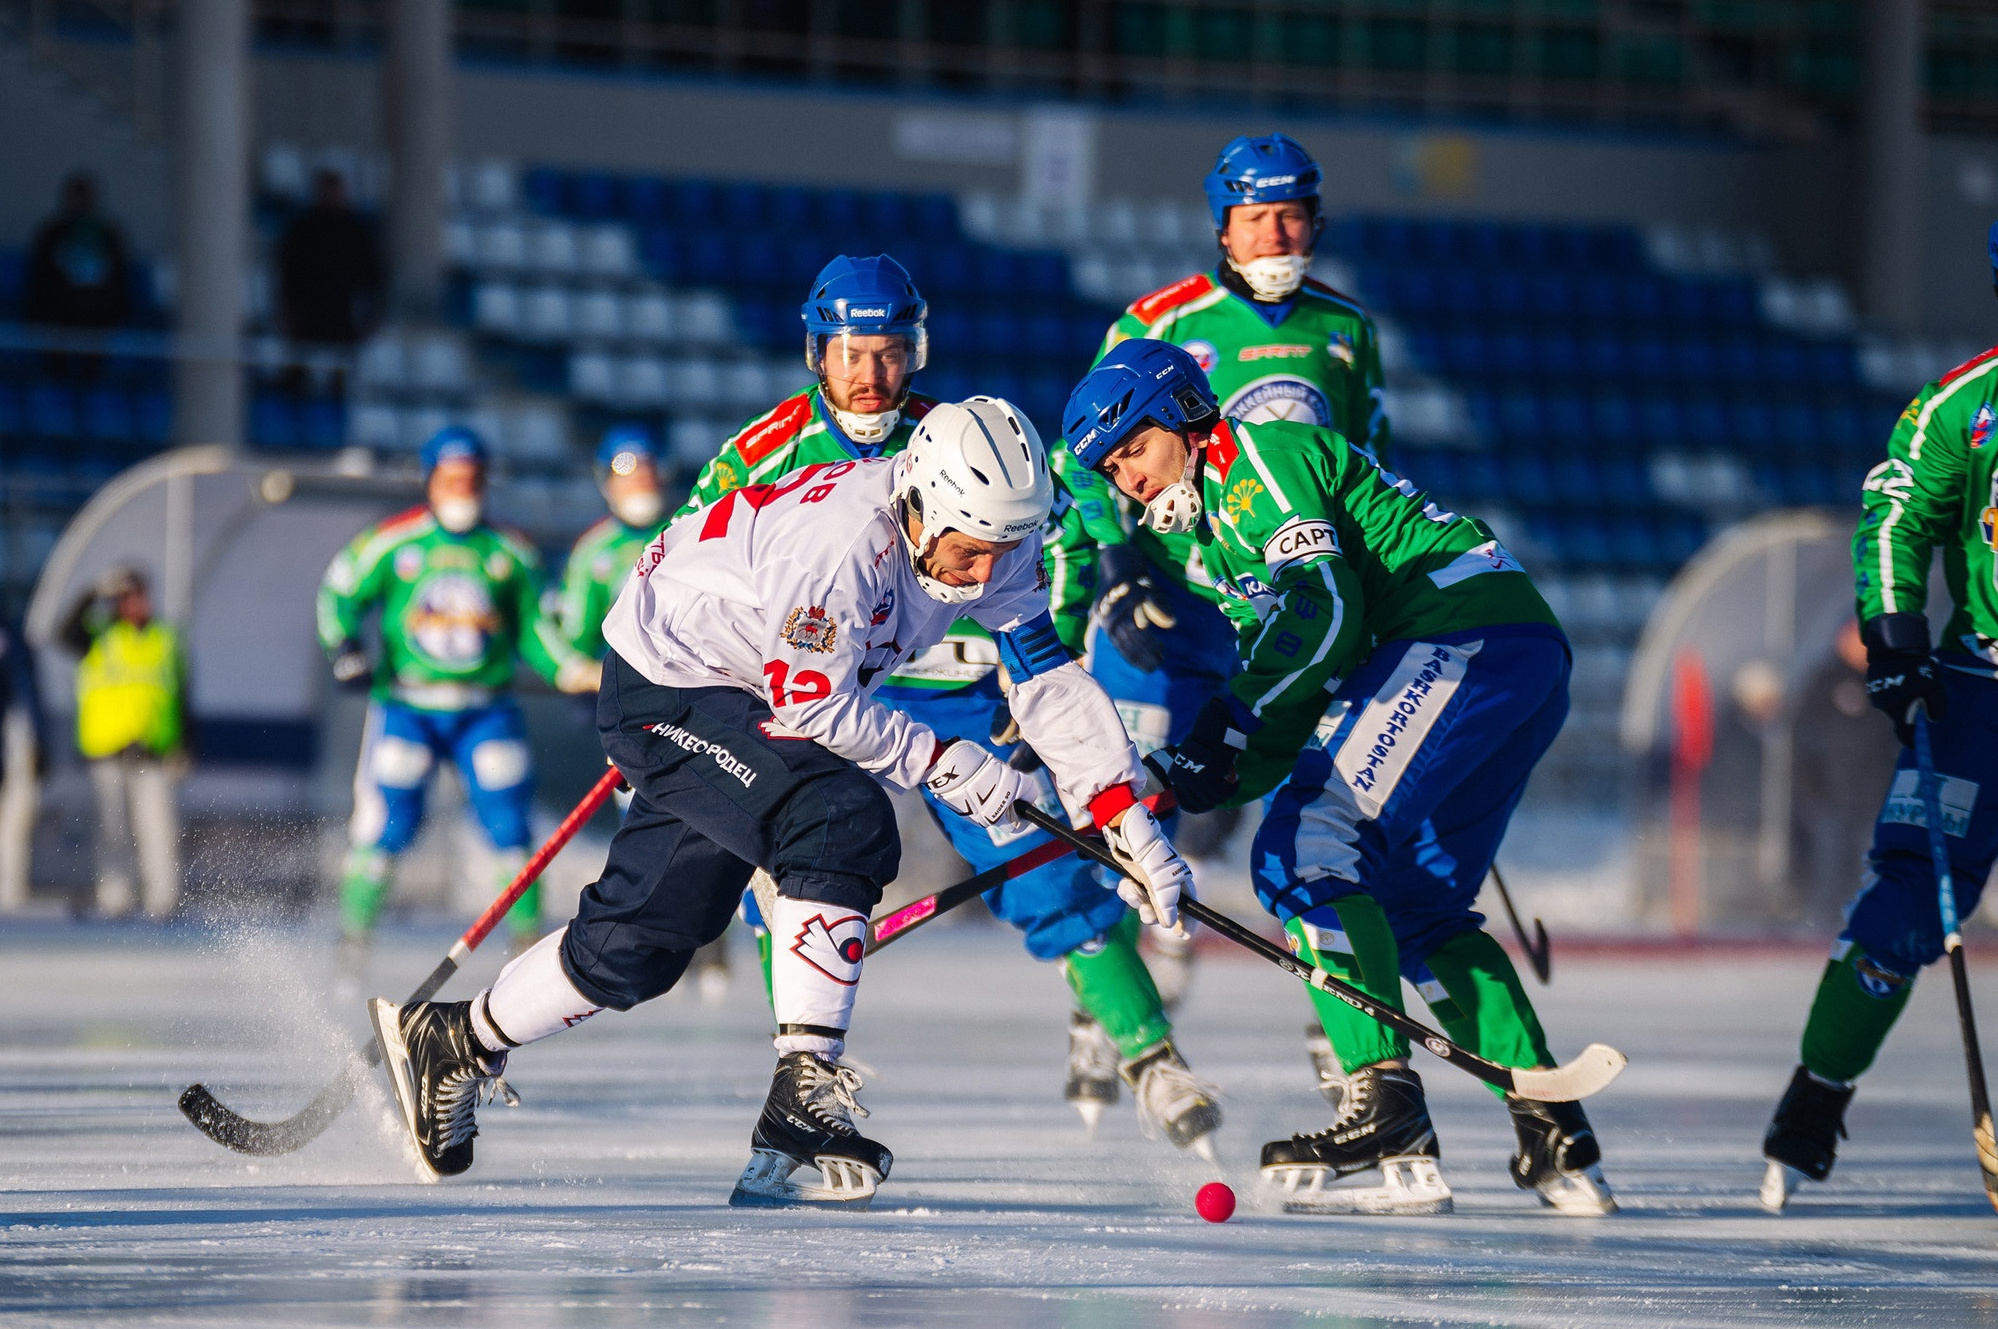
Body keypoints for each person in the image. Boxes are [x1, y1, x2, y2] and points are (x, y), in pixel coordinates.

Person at [365, 398, 1198, 1208]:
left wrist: (1124, 815)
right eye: (970, 550)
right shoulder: (840, 544)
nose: (983, 575)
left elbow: (1047, 677)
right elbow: (814, 705)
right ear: (921, 501)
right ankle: (803, 1090)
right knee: (839, 816)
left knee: (644, 939)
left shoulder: (993, 533)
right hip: (670, 682)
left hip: (746, 692)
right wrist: (945, 762)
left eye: (1003, 551)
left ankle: (454, 1039)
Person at [677, 255, 1220, 1151]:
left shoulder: (965, 438)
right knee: (787, 886)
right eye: (852, 353)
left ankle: (1150, 1053)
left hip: (953, 698)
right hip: (819, 698)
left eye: (891, 352)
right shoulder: (764, 449)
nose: (872, 374)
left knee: (1046, 869)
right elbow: (702, 565)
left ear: (917, 350)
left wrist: (1036, 661)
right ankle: (804, 1080)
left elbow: (1056, 544)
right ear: (818, 352)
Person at [1063, 339, 1614, 1217]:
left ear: (1186, 416)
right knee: (1414, 906)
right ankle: (1553, 1127)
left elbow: (1323, 609)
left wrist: (1224, 727)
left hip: (1457, 634)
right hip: (1506, 651)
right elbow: (1302, 688)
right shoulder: (1219, 530)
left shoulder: (1251, 464)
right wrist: (1187, 777)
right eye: (1112, 469)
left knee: (1302, 853)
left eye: (1135, 449)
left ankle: (1382, 1101)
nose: (1129, 480)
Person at [1067, 133, 1394, 1060]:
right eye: (1257, 218)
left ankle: (1344, 1018)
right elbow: (1085, 449)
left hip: (1289, 597)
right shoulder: (1161, 318)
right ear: (1223, 226)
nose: (1276, 235)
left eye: (1292, 216)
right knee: (1140, 788)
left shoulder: (1348, 328)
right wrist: (1115, 560)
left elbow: (1365, 455)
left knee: (1303, 805)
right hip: (1174, 605)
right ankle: (1110, 996)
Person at [1758, 229, 1998, 1212]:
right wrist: (1895, 641)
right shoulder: (1966, 404)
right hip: (1983, 685)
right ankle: (1818, 1092)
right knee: (1907, 897)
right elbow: (1896, 517)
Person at [318, 426, 597, 981]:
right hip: (409, 707)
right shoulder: (394, 541)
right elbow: (339, 590)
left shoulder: (510, 550)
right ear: (429, 481)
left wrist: (570, 669)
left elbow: (536, 628)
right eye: (451, 479)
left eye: (471, 479)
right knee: (387, 823)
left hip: (485, 709)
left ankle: (527, 948)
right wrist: (344, 646)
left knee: (510, 827)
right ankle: (353, 940)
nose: (461, 489)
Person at [551, 424, 741, 1001]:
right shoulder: (593, 553)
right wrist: (578, 671)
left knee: (718, 819)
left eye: (647, 471)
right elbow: (572, 637)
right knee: (648, 828)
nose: (639, 484)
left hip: (701, 702)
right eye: (625, 474)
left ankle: (715, 949)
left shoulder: (692, 529)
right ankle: (656, 945)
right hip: (634, 714)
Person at [59, 567, 189, 919]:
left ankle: (163, 899)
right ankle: (114, 897)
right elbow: (63, 633)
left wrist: (184, 745)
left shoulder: (164, 638)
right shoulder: (100, 634)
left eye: (139, 595)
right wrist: (93, 593)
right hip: (107, 750)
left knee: (159, 829)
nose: (136, 604)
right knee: (112, 829)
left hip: (152, 751)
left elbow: (182, 695)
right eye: (127, 597)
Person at [276, 169, 385, 397]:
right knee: (297, 373)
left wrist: (372, 317)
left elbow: (374, 278)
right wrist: (288, 313)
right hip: (308, 313)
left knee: (343, 378)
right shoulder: (303, 230)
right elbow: (288, 274)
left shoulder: (356, 232)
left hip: (342, 314)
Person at [24, 172, 132, 381]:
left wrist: (114, 312)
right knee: (54, 372)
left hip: (99, 317)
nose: (80, 202)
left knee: (98, 369)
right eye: (76, 195)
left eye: (85, 196)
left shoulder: (109, 235)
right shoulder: (51, 234)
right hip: (58, 317)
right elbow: (38, 280)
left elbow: (120, 282)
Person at [0, 616, 47, 912]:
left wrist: (36, 745)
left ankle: (11, 890)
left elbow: (27, 696)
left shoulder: (12, 636)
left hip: (16, 748)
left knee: (15, 823)